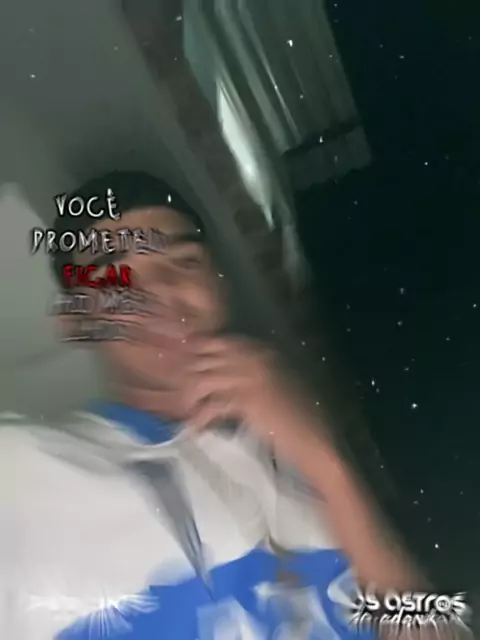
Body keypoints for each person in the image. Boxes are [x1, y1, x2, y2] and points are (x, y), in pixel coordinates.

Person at [0, 171, 432, 639]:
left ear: (220, 284)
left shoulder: (296, 453)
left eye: (183, 261)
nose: (161, 290)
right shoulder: (26, 473)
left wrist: (326, 461)